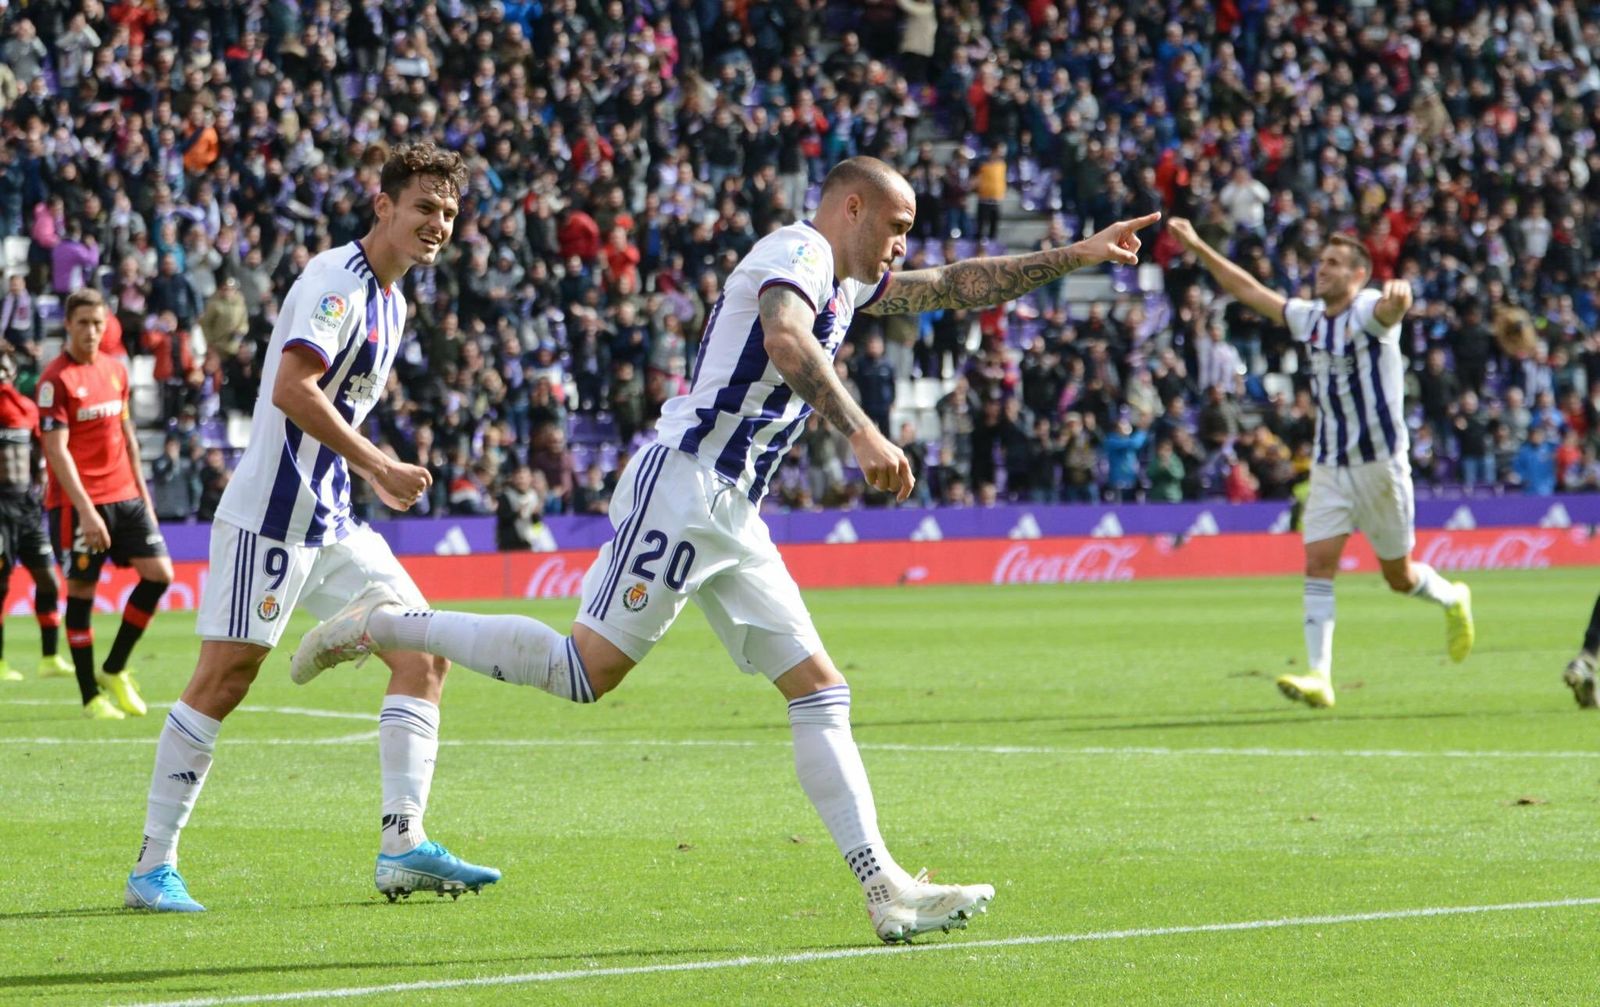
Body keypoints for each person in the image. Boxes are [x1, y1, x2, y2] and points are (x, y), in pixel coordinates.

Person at [293, 157, 1159, 943]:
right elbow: (784, 337)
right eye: (894, 226)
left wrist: (1078, 253)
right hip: (684, 486)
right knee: (580, 671)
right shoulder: (800, 251)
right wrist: (860, 431)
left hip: (733, 512)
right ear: (849, 208)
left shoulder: (848, 283)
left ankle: (882, 885)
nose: (902, 244)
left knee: (820, 687)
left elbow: (957, 285)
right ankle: (389, 620)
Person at [123, 142, 498, 913]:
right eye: (424, 207)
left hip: (331, 521)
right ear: (383, 205)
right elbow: (295, 389)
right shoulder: (338, 281)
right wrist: (378, 464)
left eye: (449, 213)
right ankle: (151, 865)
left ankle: (403, 844)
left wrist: (362, 476)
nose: (438, 223)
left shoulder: (395, 302)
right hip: (270, 517)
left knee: (424, 653)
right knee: (223, 681)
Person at [1166, 219, 1474, 709]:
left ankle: (1453, 597)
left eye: (1332, 263)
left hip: (1380, 467)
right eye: (1320, 262)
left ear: (1357, 274)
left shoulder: (1368, 310)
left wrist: (1402, 296)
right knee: (1317, 564)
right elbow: (1247, 289)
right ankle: (1320, 675)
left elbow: (1394, 309)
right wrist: (1199, 246)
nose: (1320, 270)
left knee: (1399, 577)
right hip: (1330, 465)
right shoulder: (1310, 318)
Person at [39, 289, 172, 720]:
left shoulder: (116, 370)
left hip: (126, 495)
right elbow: (56, 452)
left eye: (98, 323)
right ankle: (89, 697)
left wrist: (145, 498)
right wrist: (85, 510)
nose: (92, 332)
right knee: (81, 595)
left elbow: (128, 437)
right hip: (80, 504)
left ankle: (114, 668)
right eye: (83, 323)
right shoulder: (54, 380)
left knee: (159, 575)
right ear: (68, 325)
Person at [0, 350, 73, 686]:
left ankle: (49, 657)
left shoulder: (27, 409)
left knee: (49, 579)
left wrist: (42, 479)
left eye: (5, 368)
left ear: (14, 374)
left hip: (27, 508)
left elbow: (39, 451)